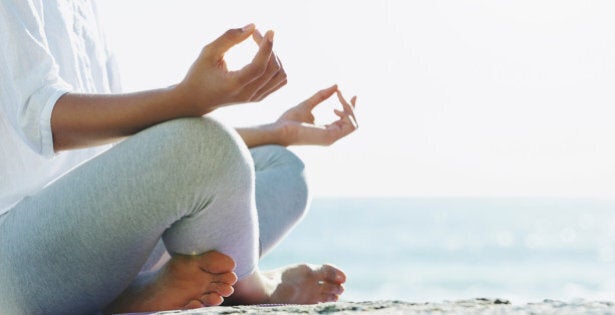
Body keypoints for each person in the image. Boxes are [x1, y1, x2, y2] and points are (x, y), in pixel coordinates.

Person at [0, 1, 358, 314]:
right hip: (17, 261)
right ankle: (252, 287)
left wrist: (277, 132)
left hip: (94, 245)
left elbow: (130, 151)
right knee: (207, 145)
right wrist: (187, 98)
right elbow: (42, 120)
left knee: (281, 167)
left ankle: (140, 290)